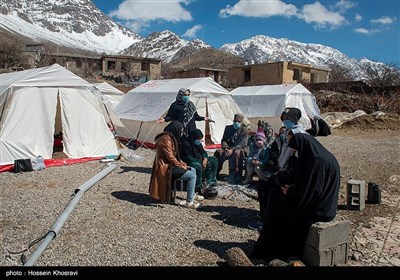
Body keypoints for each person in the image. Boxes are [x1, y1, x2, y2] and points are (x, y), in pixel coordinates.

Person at [251, 133, 340, 262]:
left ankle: (274, 248)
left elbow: (313, 193)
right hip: (315, 201)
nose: (294, 153)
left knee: (278, 204)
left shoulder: (318, 161)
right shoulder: (314, 156)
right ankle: (269, 238)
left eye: (295, 150)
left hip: (320, 208)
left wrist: (290, 191)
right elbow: (302, 179)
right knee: (275, 194)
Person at [149, 121, 203, 209]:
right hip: (166, 169)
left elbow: (174, 156)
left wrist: (181, 163)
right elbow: (170, 157)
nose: (181, 133)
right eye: (180, 130)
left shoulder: (169, 138)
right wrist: (181, 165)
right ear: (175, 129)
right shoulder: (166, 140)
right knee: (191, 175)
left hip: (169, 166)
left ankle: (192, 194)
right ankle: (189, 202)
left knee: (192, 169)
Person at [214, 113, 248, 184]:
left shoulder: (244, 130)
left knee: (237, 153)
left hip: (238, 149)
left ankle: (236, 174)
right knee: (218, 152)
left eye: (238, 122)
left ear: (241, 122)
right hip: (228, 148)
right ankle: (215, 173)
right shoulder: (228, 128)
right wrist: (225, 147)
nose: (236, 123)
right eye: (235, 121)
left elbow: (243, 143)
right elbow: (224, 140)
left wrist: (233, 149)